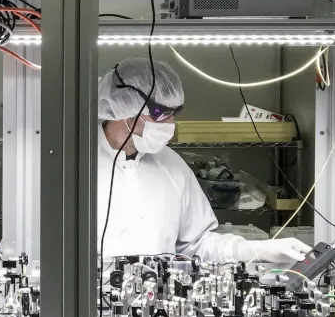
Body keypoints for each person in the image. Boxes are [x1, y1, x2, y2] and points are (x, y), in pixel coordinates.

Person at [97, 57, 312, 264]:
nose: (171, 123)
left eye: (174, 113)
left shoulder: (172, 166)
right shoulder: (75, 165)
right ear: (126, 108)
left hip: (159, 296)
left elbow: (198, 243)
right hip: (87, 299)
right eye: (161, 114)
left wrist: (255, 250)